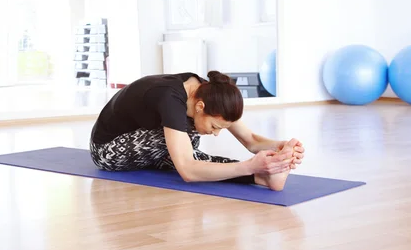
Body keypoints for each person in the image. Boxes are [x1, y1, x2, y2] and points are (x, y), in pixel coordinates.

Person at [90, 71, 304, 191]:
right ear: (200, 107)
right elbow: (188, 171)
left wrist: (280, 147)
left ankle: (262, 178)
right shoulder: (170, 99)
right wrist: (248, 166)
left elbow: (251, 141)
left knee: (193, 152)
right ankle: (255, 173)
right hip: (107, 151)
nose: (216, 133)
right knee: (188, 148)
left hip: (146, 149)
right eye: (215, 127)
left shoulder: (208, 93)